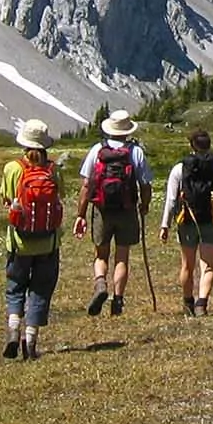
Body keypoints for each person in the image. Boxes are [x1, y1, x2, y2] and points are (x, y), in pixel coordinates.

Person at [74, 110, 153, 318]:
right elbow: (145, 185)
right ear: (127, 131)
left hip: (101, 209)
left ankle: (100, 283)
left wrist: (81, 214)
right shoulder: (135, 152)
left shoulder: (98, 149)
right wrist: (144, 205)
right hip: (126, 209)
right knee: (122, 255)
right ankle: (118, 299)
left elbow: (86, 184)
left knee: (101, 253)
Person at [1, 119, 64, 360]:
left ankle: (14, 330)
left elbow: (7, 198)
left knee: (16, 286)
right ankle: (31, 341)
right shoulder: (53, 169)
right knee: (40, 289)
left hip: (18, 241)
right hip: (48, 242)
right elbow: (60, 196)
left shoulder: (12, 168)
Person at [158, 129, 213, 316]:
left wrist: (165, 225)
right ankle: (202, 304)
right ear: (209, 145)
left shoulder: (180, 168)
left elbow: (171, 199)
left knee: (187, 265)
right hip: (209, 218)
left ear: (191, 146)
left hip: (186, 220)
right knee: (207, 265)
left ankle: (187, 302)